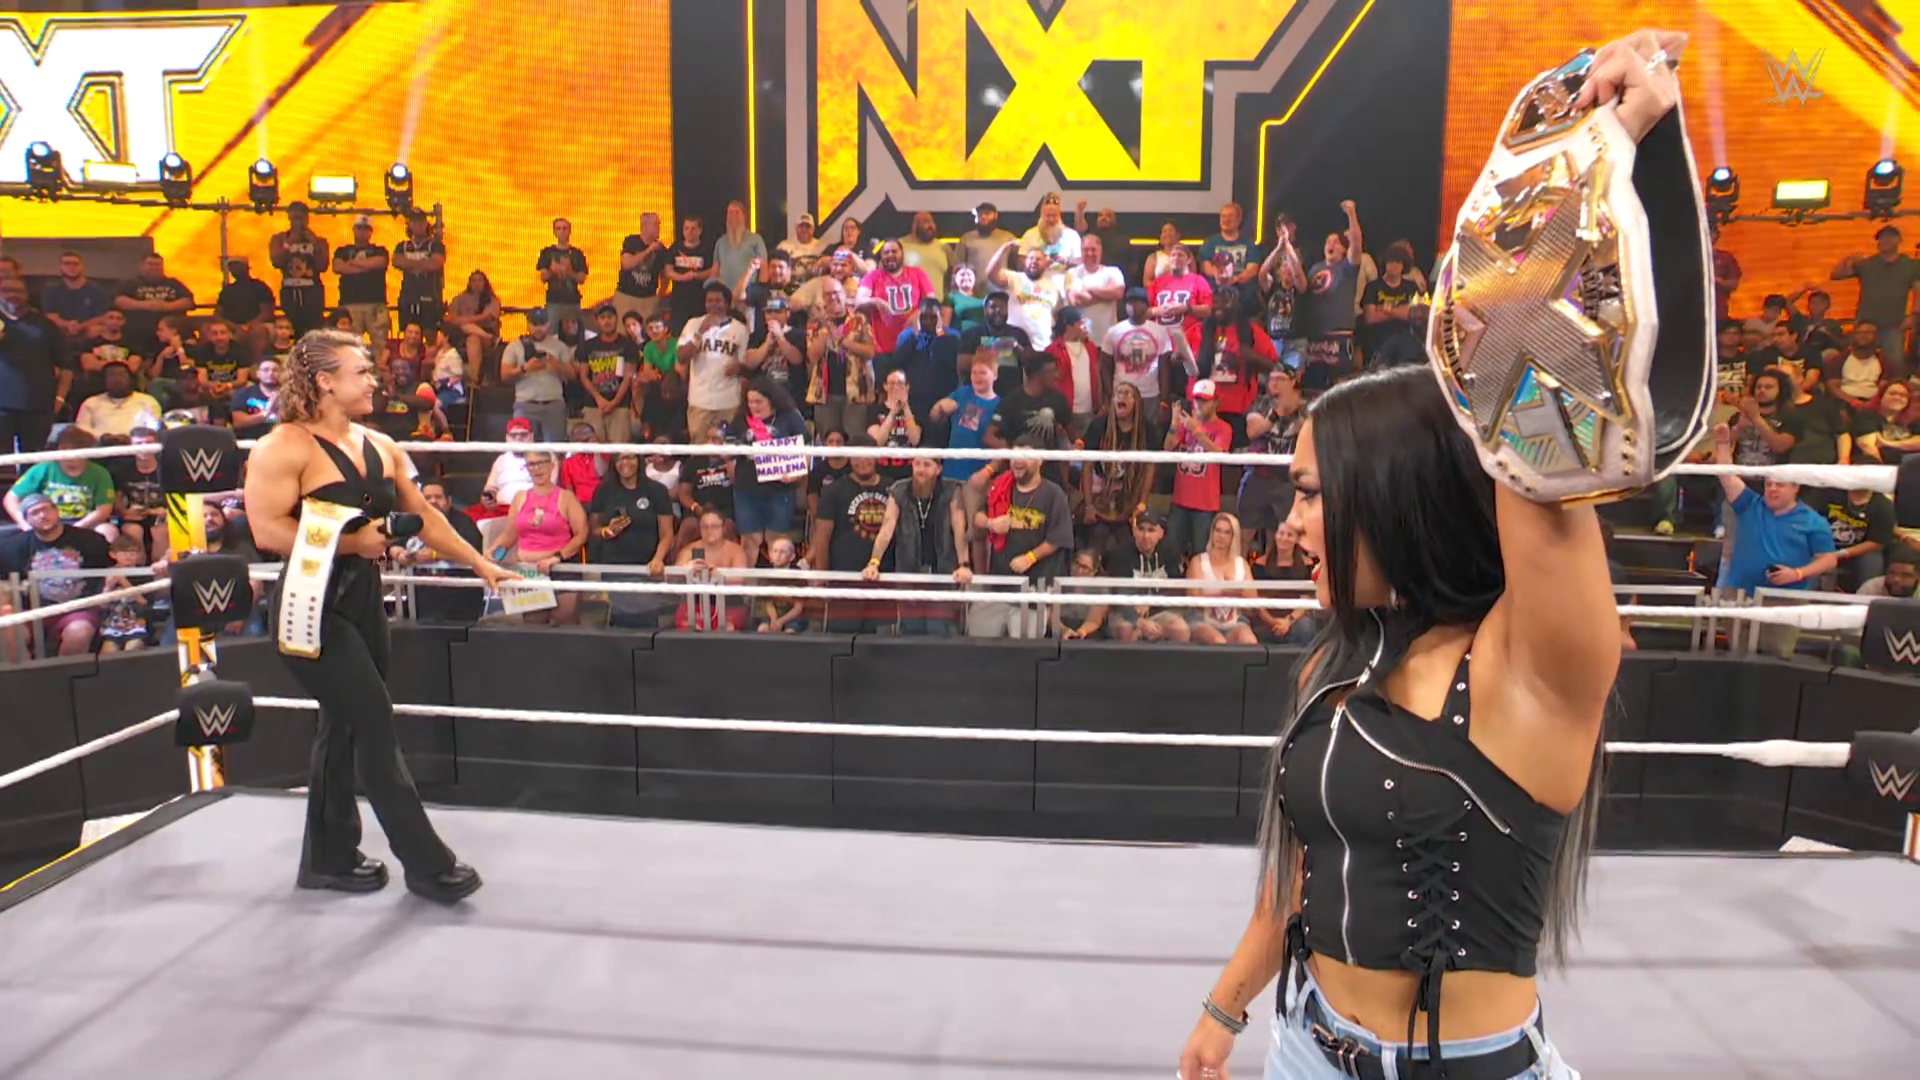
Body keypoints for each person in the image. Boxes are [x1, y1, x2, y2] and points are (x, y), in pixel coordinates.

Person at [1179, 31, 1694, 1080]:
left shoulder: (1531, 669)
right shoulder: (1346, 661)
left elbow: (1527, 404)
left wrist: (1607, 139)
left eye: (1311, 493)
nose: (1290, 526)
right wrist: (1226, 1008)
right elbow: (1305, 874)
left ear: (1395, 496)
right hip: (1303, 1049)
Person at [243, 329, 514, 904]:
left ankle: (328, 857)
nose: (374, 380)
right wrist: (352, 544)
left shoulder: (380, 443)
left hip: (363, 596)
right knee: (372, 723)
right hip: (310, 599)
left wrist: (480, 563)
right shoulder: (282, 446)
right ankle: (427, 865)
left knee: (343, 725)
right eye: (361, 372)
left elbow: (424, 517)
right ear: (324, 381)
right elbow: (267, 530)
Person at [491, 448, 589, 626]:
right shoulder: (520, 497)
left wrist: (557, 557)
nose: (536, 469)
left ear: (551, 466)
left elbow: (581, 533)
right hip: (529, 571)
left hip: (561, 568)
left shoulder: (566, 497)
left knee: (565, 621)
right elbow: (509, 535)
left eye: (540, 463)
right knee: (534, 625)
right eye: (531, 464)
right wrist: (494, 556)